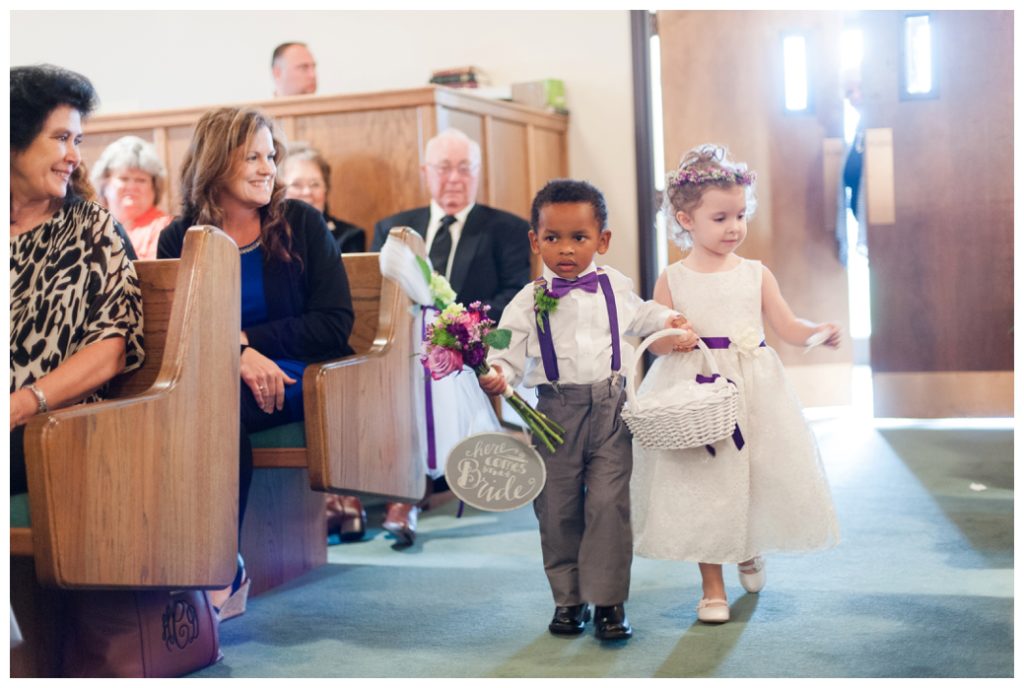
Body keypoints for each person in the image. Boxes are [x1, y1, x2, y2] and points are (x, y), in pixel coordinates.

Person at [630, 144, 841, 625]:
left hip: (753, 390)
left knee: (751, 475)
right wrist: (675, 340)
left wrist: (814, 333)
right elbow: (656, 340)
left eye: (740, 216)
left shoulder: (755, 274)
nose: (734, 228)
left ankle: (747, 546)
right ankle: (711, 586)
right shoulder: (672, 278)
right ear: (686, 220)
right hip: (697, 390)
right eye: (721, 218)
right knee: (703, 484)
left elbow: (786, 325)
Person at [158, 107, 355, 619]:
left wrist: (246, 341)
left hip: (302, 372)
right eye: (253, 157)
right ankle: (173, 563)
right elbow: (182, 331)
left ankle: (222, 568)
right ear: (216, 162)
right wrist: (240, 355)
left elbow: (334, 324)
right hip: (219, 375)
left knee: (217, 409)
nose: (268, 168)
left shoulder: (301, 223)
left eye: (271, 156)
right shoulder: (180, 236)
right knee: (177, 409)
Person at [478, 179, 695, 641]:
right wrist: (495, 370)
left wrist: (668, 320)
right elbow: (502, 343)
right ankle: (568, 599)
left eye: (579, 237)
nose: (566, 249)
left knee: (608, 506)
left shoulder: (615, 285)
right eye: (552, 238)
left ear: (603, 240)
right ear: (535, 241)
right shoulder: (525, 300)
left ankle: (609, 602)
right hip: (555, 415)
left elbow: (642, 314)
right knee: (556, 509)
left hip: (611, 411)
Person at [371, 127, 532, 544]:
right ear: (426, 172)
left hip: (470, 345)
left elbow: (514, 297)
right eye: (444, 168)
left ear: (478, 173)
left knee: (430, 372)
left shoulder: (506, 229)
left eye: (465, 168)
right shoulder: (393, 229)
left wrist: (461, 328)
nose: (454, 179)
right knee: (391, 377)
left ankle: (407, 497)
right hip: (402, 350)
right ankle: (389, 488)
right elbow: (380, 299)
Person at [10, 64, 144, 493]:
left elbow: (110, 351)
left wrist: (20, 405)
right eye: (61, 138)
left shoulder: (91, 227)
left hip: (56, 427)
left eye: (77, 140)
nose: (74, 156)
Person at [89, 135, 172, 259]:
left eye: (141, 180)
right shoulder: (90, 228)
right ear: (104, 184)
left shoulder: (166, 229)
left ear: (155, 187)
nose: (132, 187)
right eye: (124, 178)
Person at [280, 143, 366, 254]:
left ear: (326, 189)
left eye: (315, 184)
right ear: (279, 190)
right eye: (296, 184)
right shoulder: (267, 234)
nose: (307, 192)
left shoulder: (349, 236)